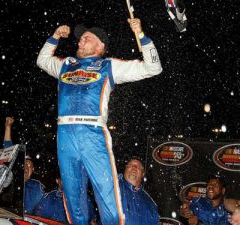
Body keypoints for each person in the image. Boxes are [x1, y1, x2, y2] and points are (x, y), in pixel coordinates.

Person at [36, 17, 162, 225]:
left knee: (109, 203)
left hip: (92, 133)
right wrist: (55, 37)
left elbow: (153, 68)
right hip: (65, 133)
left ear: (100, 45)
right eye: (80, 39)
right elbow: (42, 61)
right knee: (74, 204)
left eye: (86, 38)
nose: (80, 41)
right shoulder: (66, 64)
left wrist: (141, 34)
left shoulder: (108, 66)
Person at [3, 117, 45, 214]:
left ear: (33, 169)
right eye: (23, 163)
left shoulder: (37, 188)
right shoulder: (8, 182)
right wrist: (8, 126)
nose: (26, 167)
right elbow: (8, 150)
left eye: (29, 165)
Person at [118, 158, 159, 225]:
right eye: (131, 164)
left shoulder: (151, 204)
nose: (134, 167)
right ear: (125, 169)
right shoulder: (114, 187)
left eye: (139, 166)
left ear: (143, 174)